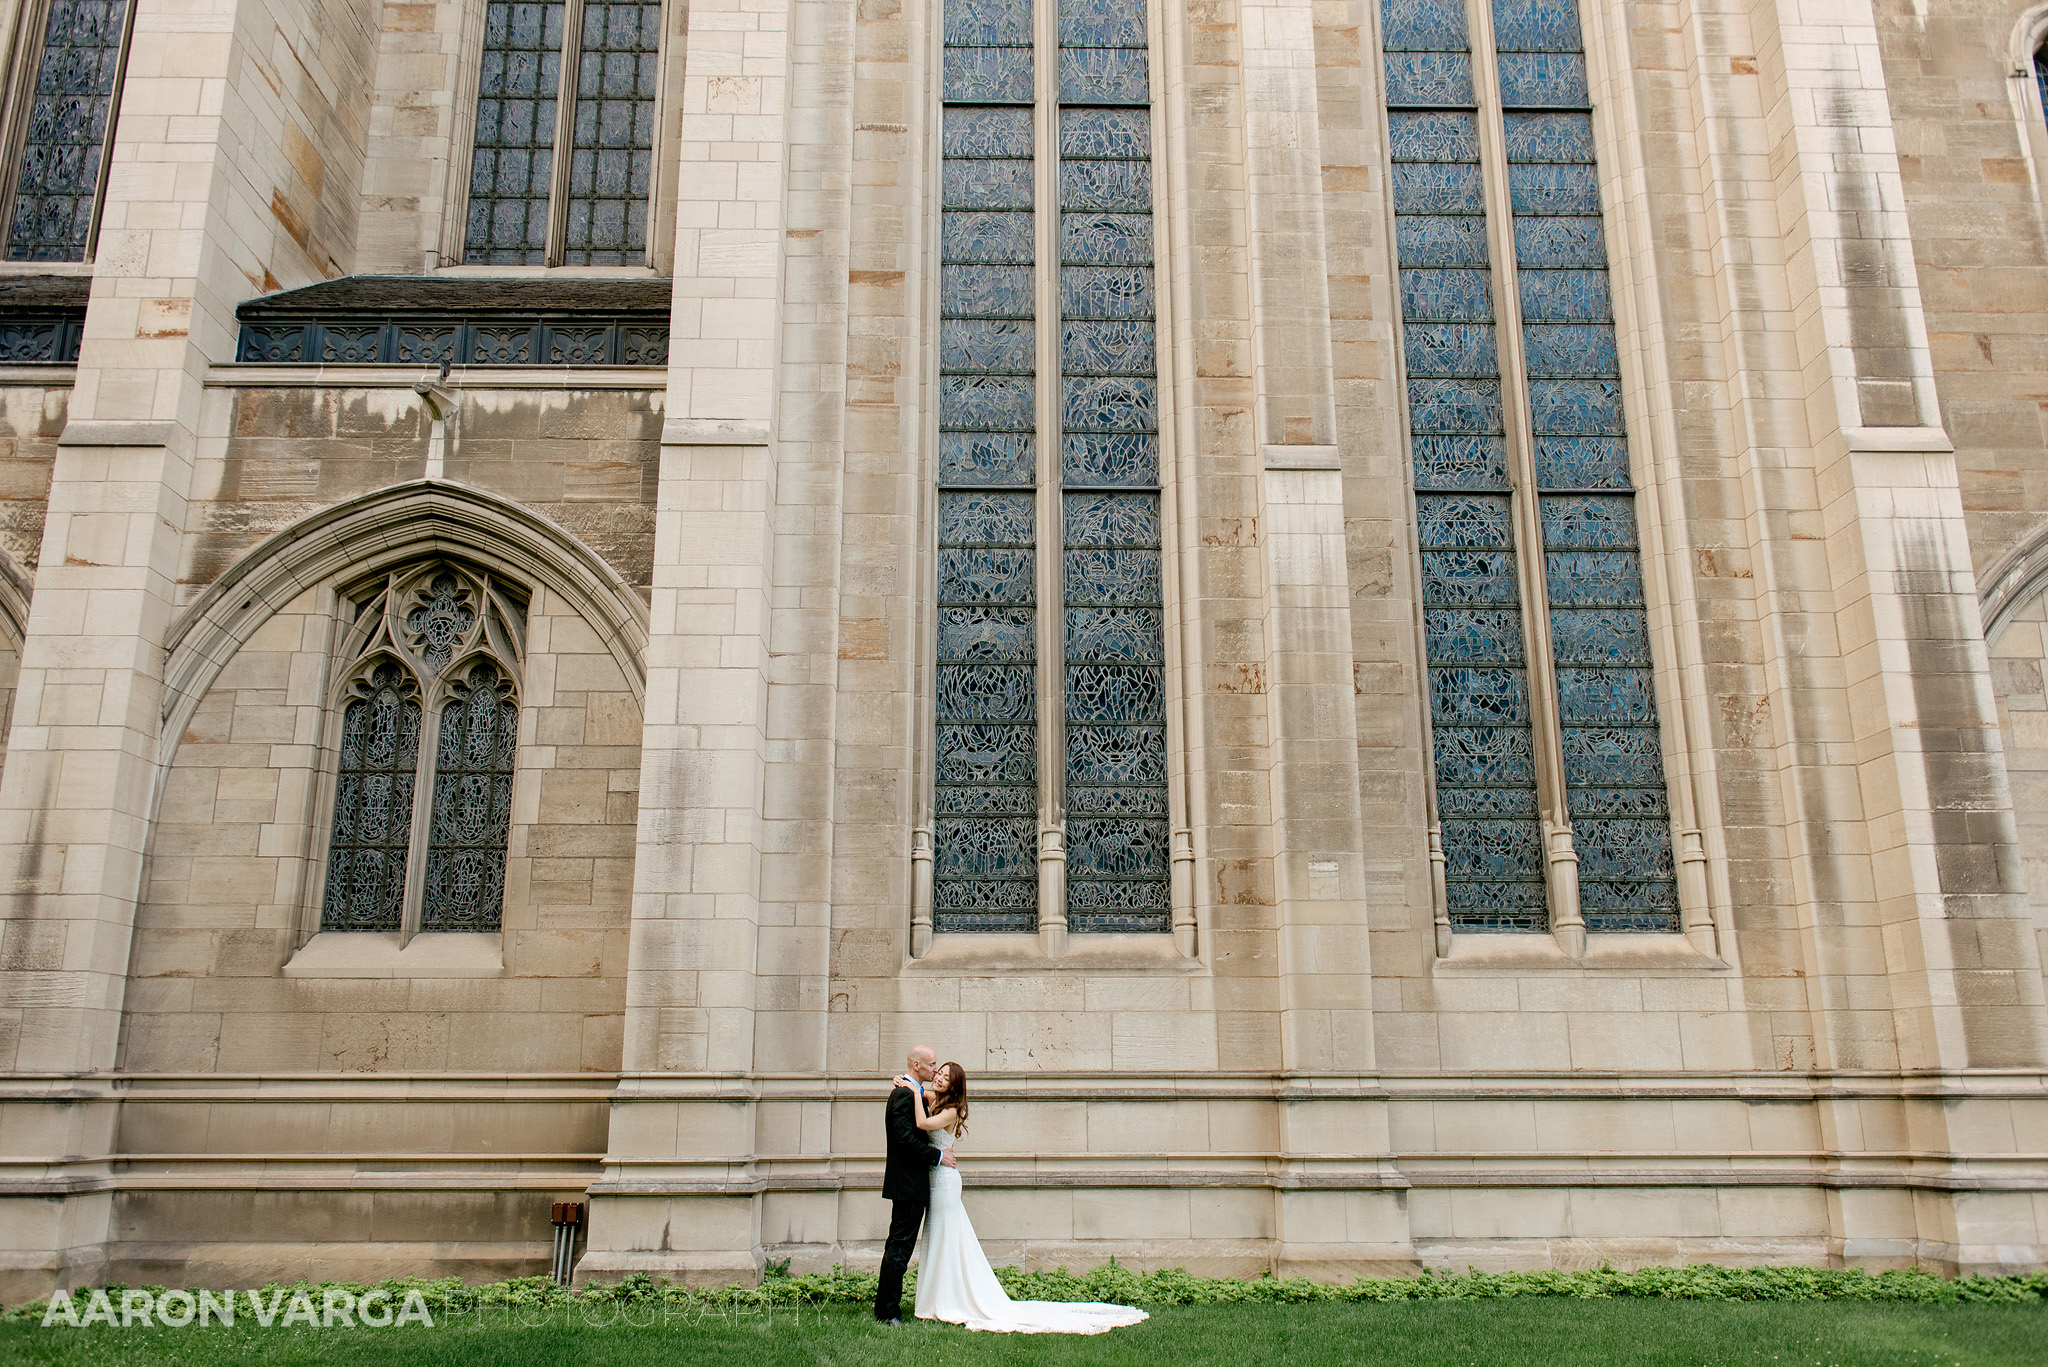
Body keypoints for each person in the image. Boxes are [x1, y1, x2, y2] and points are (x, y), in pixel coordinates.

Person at [905, 1062, 1148, 1334]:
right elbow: (923, 1093)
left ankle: (948, 1299)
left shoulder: (949, 1111)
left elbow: (922, 1122)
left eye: (946, 1078)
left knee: (945, 1237)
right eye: (939, 1073)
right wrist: (913, 1084)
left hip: (945, 1183)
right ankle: (939, 1296)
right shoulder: (936, 1100)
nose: (939, 1078)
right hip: (935, 1180)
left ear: (954, 1086)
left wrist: (913, 1092)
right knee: (939, 1237)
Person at [875, 1045, 954, 1324]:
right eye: (932, 1064)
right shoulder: (904, 1095)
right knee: (900, 1248)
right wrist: (938, 1155)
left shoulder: (914, 1092)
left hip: (911, 1184)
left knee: (898, 1246)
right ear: (917, 1065)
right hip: (908, 1184)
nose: (935, 1069)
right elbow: (905, 1140)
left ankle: (885, 1307)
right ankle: (888, 1312)